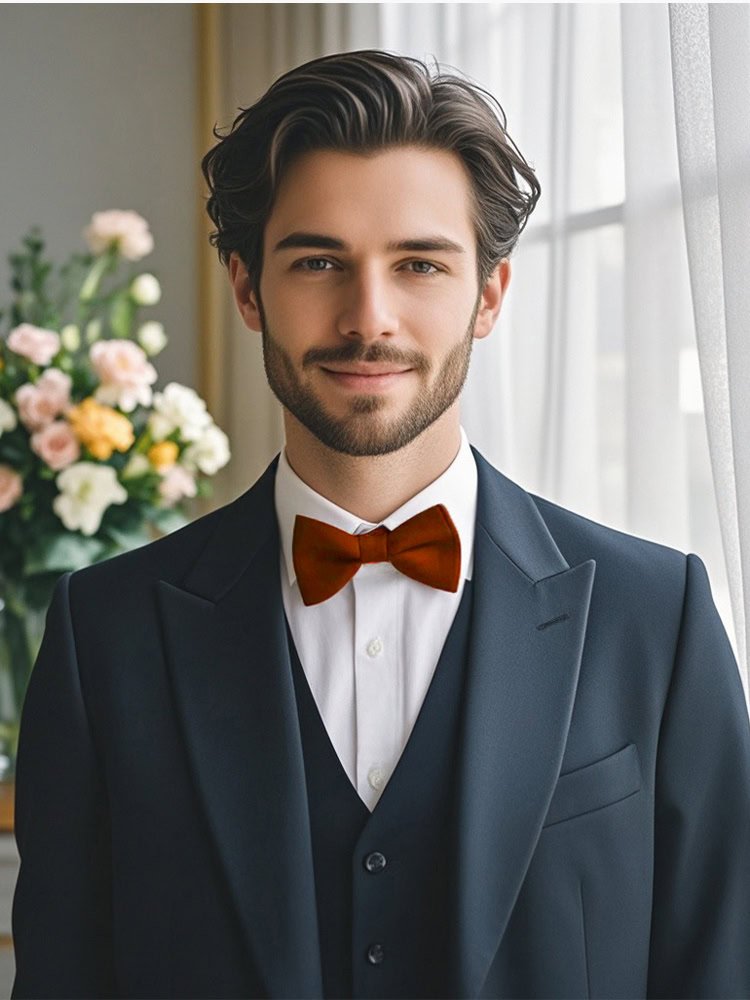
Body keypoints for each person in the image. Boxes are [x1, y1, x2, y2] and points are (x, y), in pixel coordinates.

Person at [11, 49, 750, 1000]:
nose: (370, 317)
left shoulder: (660, 620)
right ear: (247, 289)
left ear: (489, 295)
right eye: (318, 261)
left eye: (419, 264)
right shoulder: (103, 635)